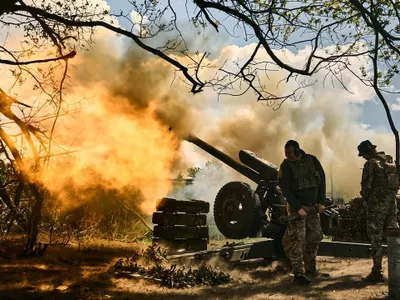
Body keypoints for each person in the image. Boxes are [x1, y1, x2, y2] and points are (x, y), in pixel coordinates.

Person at [278, 140, 327, 285]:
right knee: (297, 240)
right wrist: (298, 207)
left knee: (315, 237)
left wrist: (321, 202)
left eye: (290, 153)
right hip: (297, 209)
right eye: (285, 153)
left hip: (313, 208)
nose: (287, 156)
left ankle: (311, 270)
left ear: (298, 151)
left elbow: (322, 181)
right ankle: (298, 274)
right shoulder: (286, 166)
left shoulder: (312, 160)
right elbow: (285, 189)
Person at [358, 140, 399, 283]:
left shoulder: (370, 164)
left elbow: (367, 186)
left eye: (363, 155)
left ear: (367, 152)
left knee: (376, 238)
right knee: (394, 236)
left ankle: (377, 272)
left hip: (376, 206)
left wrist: (365, 199)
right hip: (392, 205)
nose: (363, 157)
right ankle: (397, 272)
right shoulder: (389, 160)